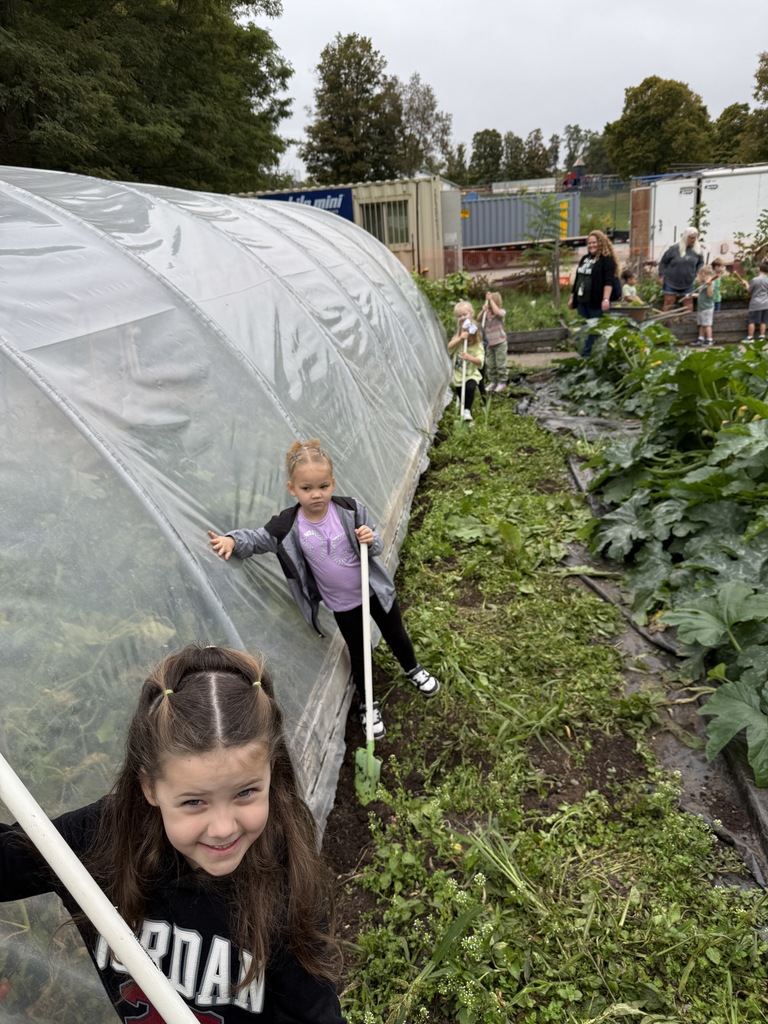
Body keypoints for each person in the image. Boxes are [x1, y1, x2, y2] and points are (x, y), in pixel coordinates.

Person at [0, 644, 346, 1024]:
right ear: (150, 788)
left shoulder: (286, 881)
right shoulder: (100, 840)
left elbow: (315, 1015)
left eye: (246, 792)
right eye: (194, 802)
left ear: (272, 774)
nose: (223, 828)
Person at [208, 441, 441, 740]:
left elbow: (377, 547)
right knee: (358, 652)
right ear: (292, 489)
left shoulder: (350, 510)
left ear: (333, 483)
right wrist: (232, 541)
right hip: (342, 604)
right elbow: (258, 539)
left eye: (323, 486)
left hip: (373, 591)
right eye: (307, 488)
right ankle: (368, 704)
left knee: (396, 634)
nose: (316, 494)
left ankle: (413, 668)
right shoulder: (288, 525)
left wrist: (371, 539)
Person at [567, 230, 618, 357]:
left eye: (594, 242)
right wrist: (572, 298)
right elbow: (578, 279)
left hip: (596, 302)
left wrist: (605, 299)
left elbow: (608, 281)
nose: (591, 245)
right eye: (589, 243)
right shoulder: (585, 259)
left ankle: (590, 356)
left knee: (594, 330)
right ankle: (586, 355)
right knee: (584, 329)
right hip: (583, 301)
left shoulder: (606, 260)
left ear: (600, 243)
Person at [448, 302, 485, 420]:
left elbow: (480, 361)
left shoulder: (477, 346)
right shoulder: (460, 342)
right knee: (461, 393)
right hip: (459, 374)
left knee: (470, 387)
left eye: (469, 339)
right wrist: (460, 338)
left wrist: (469, 357)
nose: (467, 342)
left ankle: (467, 411)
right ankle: (464, 412)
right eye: (459, 315)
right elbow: (449, 346)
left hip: (471, 374)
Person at [657, 227, 703, 312]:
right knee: (669, 302)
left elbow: (701, 263)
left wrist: (697, 273)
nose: (693, 240)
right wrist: (661, 275)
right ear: (686, 237)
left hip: (688, 282)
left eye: (695, 237)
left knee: (688, 303)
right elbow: (663, 262)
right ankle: (666, 322)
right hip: (671, 281)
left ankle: (687, 322)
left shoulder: (697, 250)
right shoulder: (674, 249)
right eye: (691, 237)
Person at [481, 291, 508, 391]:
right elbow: (479, 319)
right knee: (491, 364)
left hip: (500, 343)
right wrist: (483, 310)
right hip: (490, 344)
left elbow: (497, 312)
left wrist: (490, 299)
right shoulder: (487, 314)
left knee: (500, 363)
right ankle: (493, 381)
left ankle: (502, 382)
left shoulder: (501, 312)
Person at [742, 259, 768, 343]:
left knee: (752, 320)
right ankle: (762, 336)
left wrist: (745, 284)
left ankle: (750, 337)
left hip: (756, 303)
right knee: (764, 320)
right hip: (766, 303)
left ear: (759, 269)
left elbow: (750, 290)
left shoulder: (755, 280)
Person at [690, 264, 716, 346]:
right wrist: (692, 295)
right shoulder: (703, 283)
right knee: (701, 324)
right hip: (701, 307)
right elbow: (701, 295)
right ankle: (700, 338)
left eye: (699, 275)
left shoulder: (711, 283)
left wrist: (709, 285)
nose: (698, 277)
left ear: (703, 274)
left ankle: (709, 339)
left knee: (707, 324)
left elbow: (710, 294)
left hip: (707, 308)